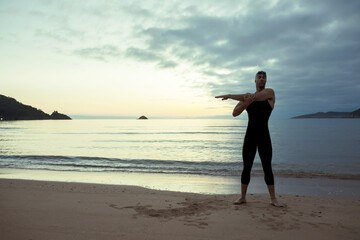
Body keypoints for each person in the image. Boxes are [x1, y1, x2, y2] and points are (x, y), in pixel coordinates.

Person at [215, 71, 284, 207]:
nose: (262, 79)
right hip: (250, 137)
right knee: (246, 167)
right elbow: (235, 113)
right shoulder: (248, 98)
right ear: (255, 80)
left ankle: (273, 199)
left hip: (264, 136)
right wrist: (246, 102)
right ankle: (242, 197)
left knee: (267, 167)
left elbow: (256, 97)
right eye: (259, 77)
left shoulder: (269, 94)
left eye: (264, 78)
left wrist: (231, 95)